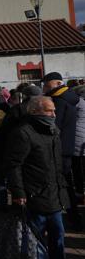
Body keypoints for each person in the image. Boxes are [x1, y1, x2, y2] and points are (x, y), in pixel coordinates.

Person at [4, 96, 75, 259]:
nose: (54, 114)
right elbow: (13, 165)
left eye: (54, 110)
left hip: (53, 193)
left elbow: (55, 163)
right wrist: (19, 192)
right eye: (49, 111)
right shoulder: (23, 133)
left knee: (57, 235)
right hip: (35, 194)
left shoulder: (53, 131)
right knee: (30, 238)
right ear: (35, 112)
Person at [43, 72, 83, 230]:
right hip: (68, 145)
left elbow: (54, 125)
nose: (45, 87)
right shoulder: (70, 97)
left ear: (58, 83)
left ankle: (72, 217)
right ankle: (73, 216)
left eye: (47, 84)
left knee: (64, 184)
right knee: (67, 183)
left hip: (60, 148)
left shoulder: (60, 101)